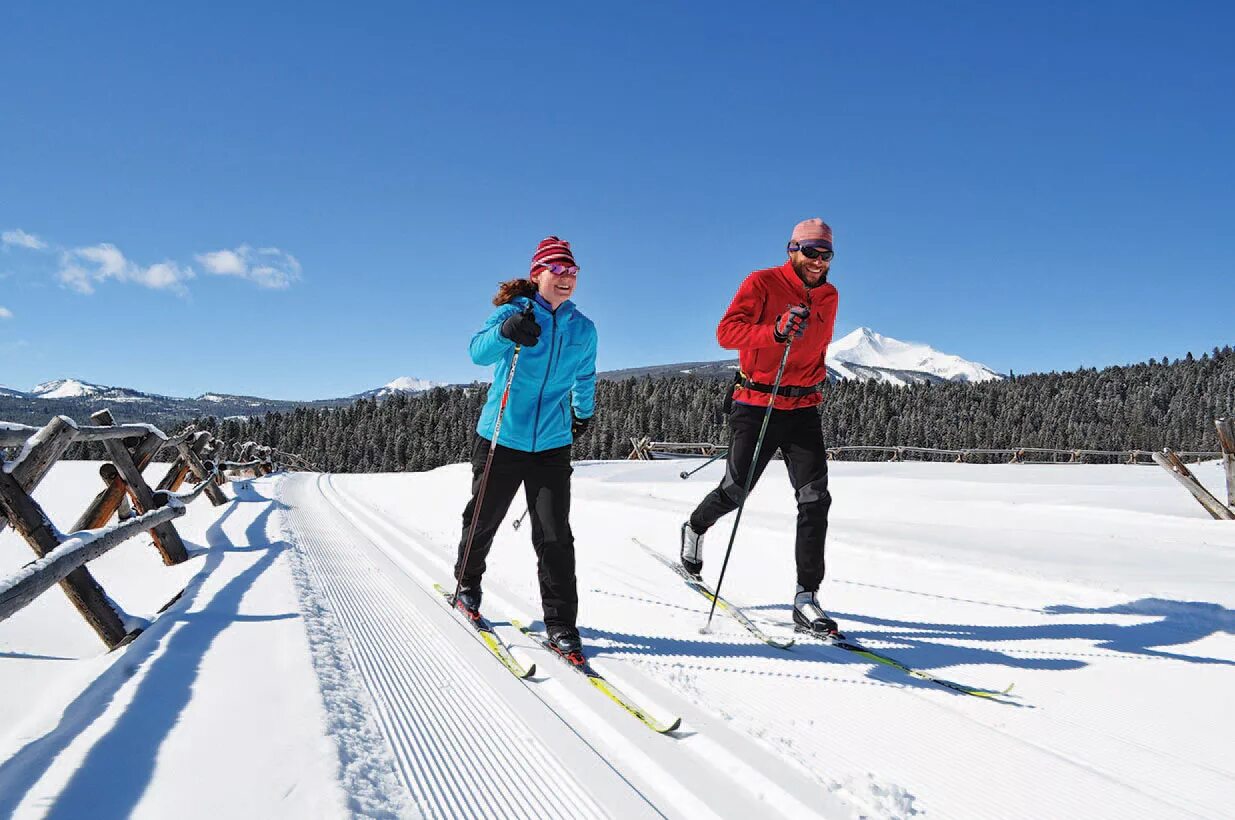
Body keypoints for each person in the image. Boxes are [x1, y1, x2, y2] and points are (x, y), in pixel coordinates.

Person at [681, 218, 841, 635]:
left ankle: (806, 598)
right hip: (756, 403)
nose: (818, 262)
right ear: (792, 250)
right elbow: (725, 333)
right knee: (737, 489)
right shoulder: (762, 282)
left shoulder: (830, 295)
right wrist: (773, 331)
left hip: (803, 407)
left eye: (826, 255)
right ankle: (695, 527)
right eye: (810, 252)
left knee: (815, 498)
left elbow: (818, 347)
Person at [453, 236, 597, 657]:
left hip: (552, 443)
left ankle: (561, 624)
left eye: (572, 272)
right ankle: (467, 581)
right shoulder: (513, 311)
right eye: (557, 270)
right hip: (502, 435)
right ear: (538, 274)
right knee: (483, 518)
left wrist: (581, 413)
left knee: (555, 535)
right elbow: (477, 353)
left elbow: (585, 376)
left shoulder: (582, 328)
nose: (566, 278)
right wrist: (505, 332)